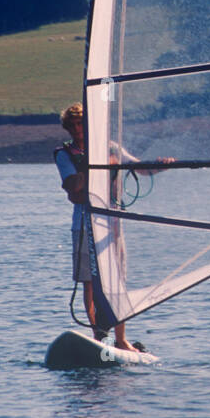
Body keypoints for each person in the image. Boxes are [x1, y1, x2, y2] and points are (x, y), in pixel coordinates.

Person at [54, 102, 145, 352]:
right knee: (90, 282)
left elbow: (140, 167)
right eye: (71, 126)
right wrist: (90, 165)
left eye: (80, 124)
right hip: (84, 225)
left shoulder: (111, 148)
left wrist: (163, 163)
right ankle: (99, 336)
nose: (76, 130)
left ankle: (121, 338)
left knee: (116, 281)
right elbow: (73, 188)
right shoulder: (64, 154)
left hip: (113, 224)